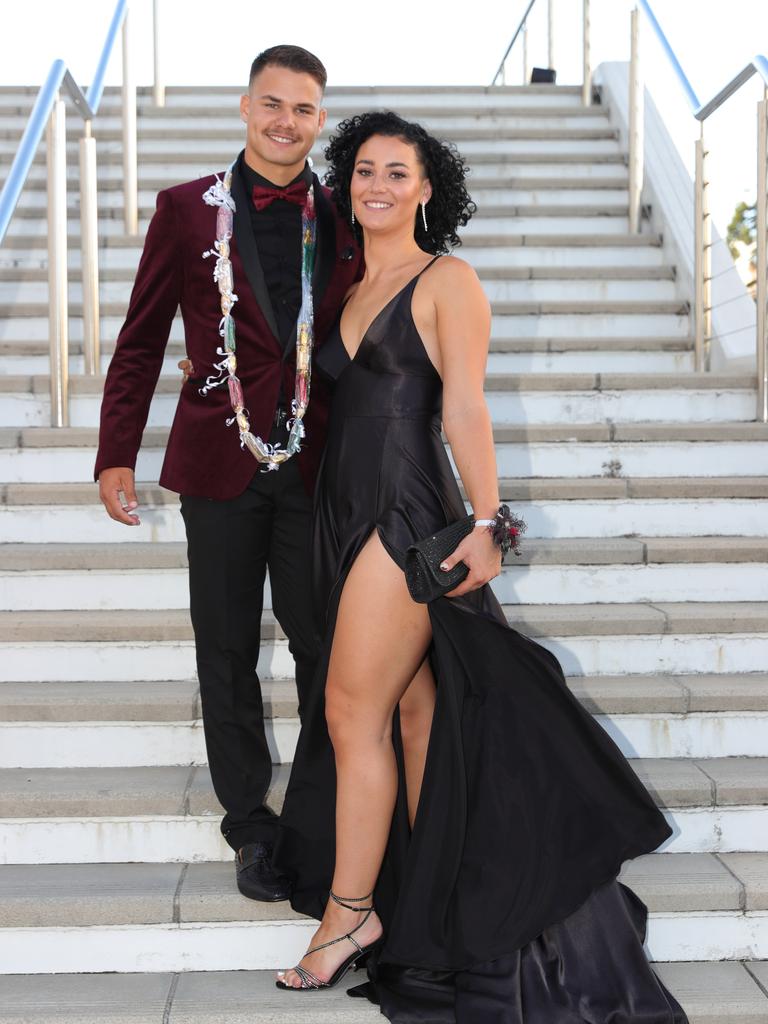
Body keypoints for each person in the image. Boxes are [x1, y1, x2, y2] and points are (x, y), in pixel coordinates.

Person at [270, 111, 689, 1023]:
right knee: (418, 722)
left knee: (351, 715)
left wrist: (492, 520)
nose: (377, 184)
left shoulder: (445, 278)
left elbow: (464, 409)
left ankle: (350, 919)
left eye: (398, 172)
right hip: (339, 518)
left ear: (427, 189)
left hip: (403, 517)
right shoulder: (344, 281)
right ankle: (445, 912)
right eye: (364, 170)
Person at [94, 45, 361, 903]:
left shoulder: (350, 210)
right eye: (273, 104)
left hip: (323, 464)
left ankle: (322, 818)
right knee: (226, 649)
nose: (288, 122)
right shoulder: (182, 209)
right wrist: (115, 452)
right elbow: (140, 340)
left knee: (326, 647)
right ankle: (249, 824)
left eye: (305, 109)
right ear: (246, 108)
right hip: (217, 461)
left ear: (321, 119)